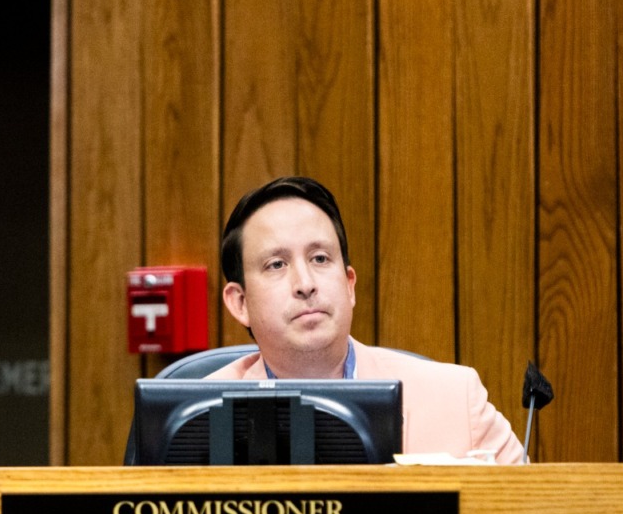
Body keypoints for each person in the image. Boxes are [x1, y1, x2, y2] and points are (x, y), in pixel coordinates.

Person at [210, 176, 525, 464]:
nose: (305, 283)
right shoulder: (201, 415)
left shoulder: (456, 400)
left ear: (349, 285)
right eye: (276, 264)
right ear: (240, 303)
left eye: (320, 258)